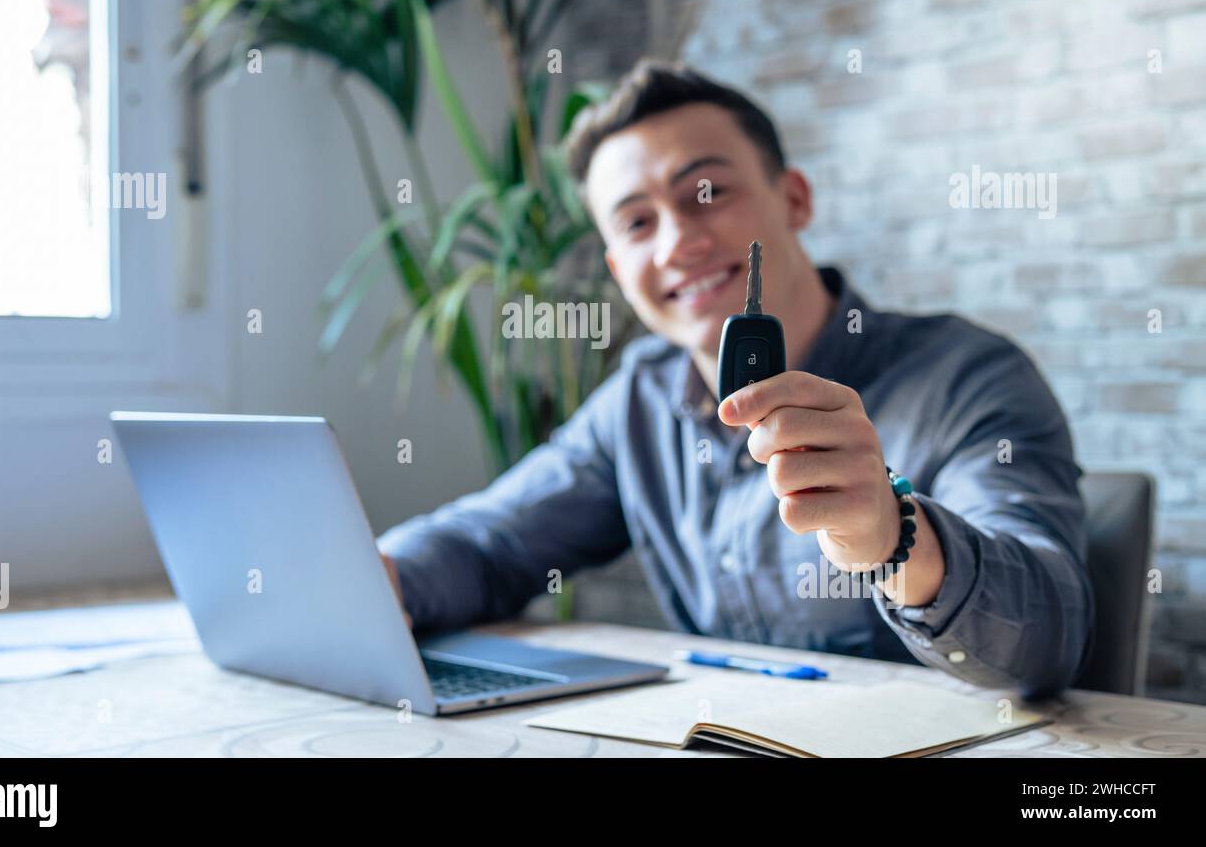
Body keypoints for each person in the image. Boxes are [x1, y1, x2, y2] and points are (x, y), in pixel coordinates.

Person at [378, 59, 1093, 698]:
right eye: (634, 223)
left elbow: (1047, 637)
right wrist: (380, 577)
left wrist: (895, 538)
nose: (678, 242)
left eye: (707, 192)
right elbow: (491, 543)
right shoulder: (637, 398)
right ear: (616, 268)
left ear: (795, 200)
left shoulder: (966, 376)